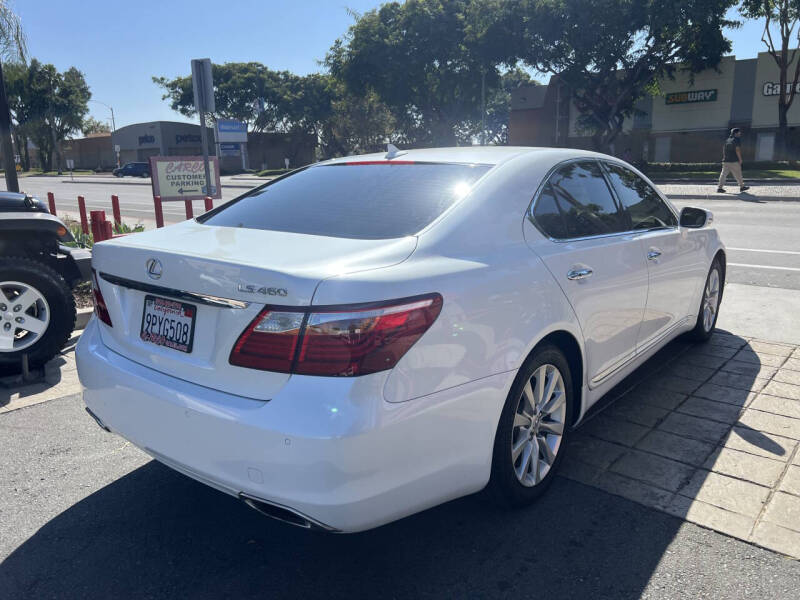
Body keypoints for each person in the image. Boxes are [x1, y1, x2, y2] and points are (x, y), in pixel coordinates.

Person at [717, 128, 749, 193]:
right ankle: (742, 187)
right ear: (736, 133)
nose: (740, 133)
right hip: (734, 160)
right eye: (739, 132)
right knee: (738, 174)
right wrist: (740, 159)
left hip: (726, 160)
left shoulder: (727, 140)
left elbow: (724, 149)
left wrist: (724, 157)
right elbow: (737, 150)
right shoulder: (736, 139)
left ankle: (719, 188)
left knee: (723, 175)